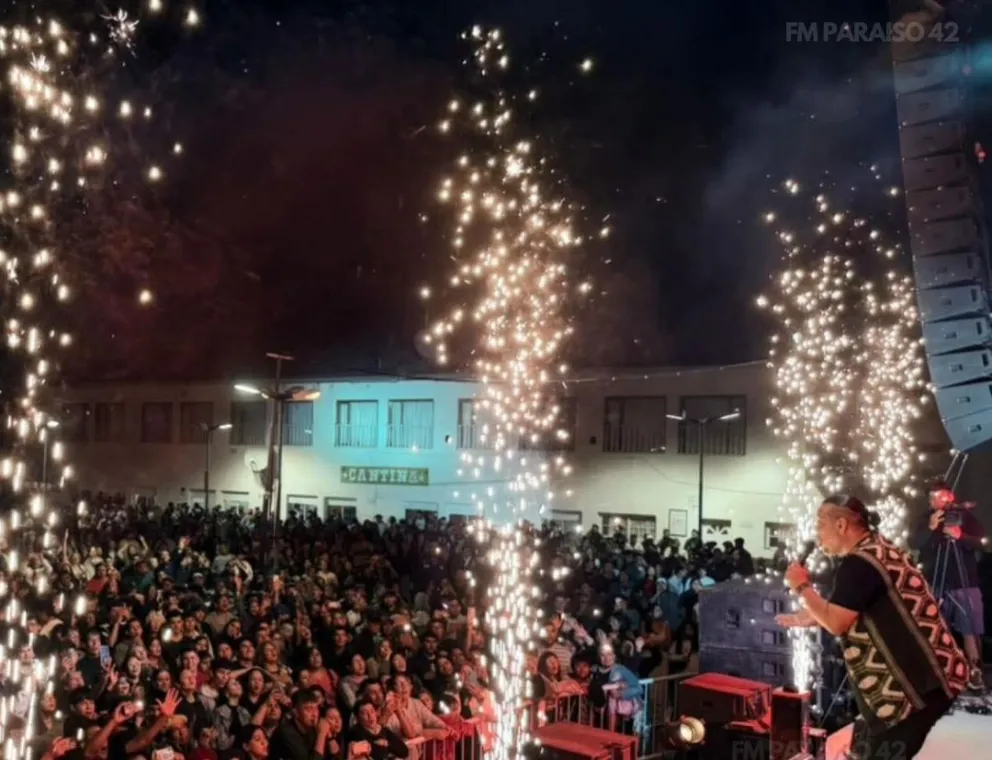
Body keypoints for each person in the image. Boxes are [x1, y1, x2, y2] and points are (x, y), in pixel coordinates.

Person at [777, 494, 969, 760]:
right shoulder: (880, 549)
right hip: (929, 682)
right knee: (860, 749)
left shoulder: (859, 564)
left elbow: (836, 622)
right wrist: (808, 616)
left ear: (841, 525)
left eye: (821, 524)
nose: (817, 533)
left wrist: (801, 586)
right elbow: (853, 607)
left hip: (911, 693)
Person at [912, 480, 986, 691]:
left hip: (965, 582)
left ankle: (975, 672)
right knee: (934, 630)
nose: (939, 500)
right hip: (935, 582)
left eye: (943, 495)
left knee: (970, 629)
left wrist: (960, 536)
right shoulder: (925, 520)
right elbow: (915, 545)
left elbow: (981, 542)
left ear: (950, 496)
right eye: (934, 497)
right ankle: (936, 677)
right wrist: (931, 528)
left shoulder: (964, 516)